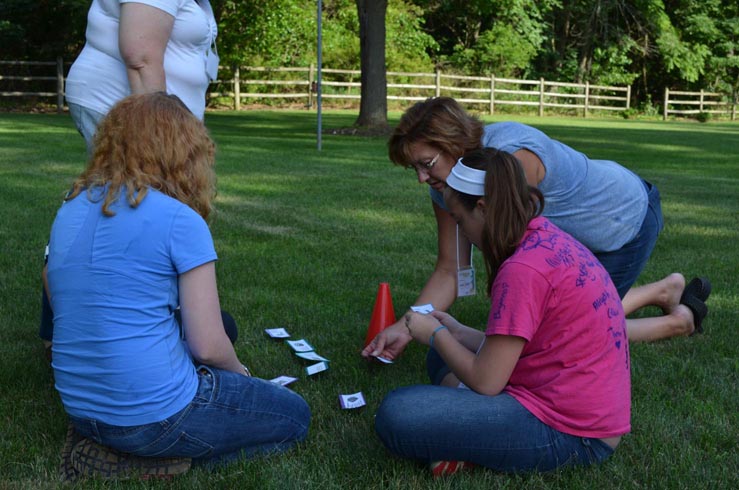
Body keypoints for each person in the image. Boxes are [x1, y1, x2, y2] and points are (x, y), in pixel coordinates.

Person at [46, 93, 310, 479]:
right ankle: (144, 461)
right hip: (154, 417)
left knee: (223, 323)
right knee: (294, 416)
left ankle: (110, 442)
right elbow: (208, 345)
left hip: (80, 408)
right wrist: (241, 374)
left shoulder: (70, 206)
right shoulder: (179, 220)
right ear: (185, 152)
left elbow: (59, 299)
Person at [362, 97, 709, 358]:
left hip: (623, 217)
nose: (422, 178)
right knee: (547, 325)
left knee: (561, 337)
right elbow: (451, 270)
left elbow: (522, 263)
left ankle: (679, 322)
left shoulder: (513, 160)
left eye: (426, 164)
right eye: (414, 169)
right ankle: (663, 292)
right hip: (575, 240)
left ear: (452, 143)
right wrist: (407, 325)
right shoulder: (445, 187)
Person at [374, 148, 631, 475]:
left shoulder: (522, 270)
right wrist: (456, 331)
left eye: (459, 220)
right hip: (569, 401)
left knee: (398, 414)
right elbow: (535, 345)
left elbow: (486, 381)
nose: (461, 231)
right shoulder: (541, 237)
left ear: (481, 209)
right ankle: (472, 437)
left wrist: (436, 334)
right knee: (442, 356)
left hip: (572, 433)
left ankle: (473, 445)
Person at [41, 0, 221, 352]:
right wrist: (159, 136)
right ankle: (129, 336)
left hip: (139, 112)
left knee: (112, 211)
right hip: (127, 107)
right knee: (137, 214)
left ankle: (71, 330)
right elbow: (140, 55)